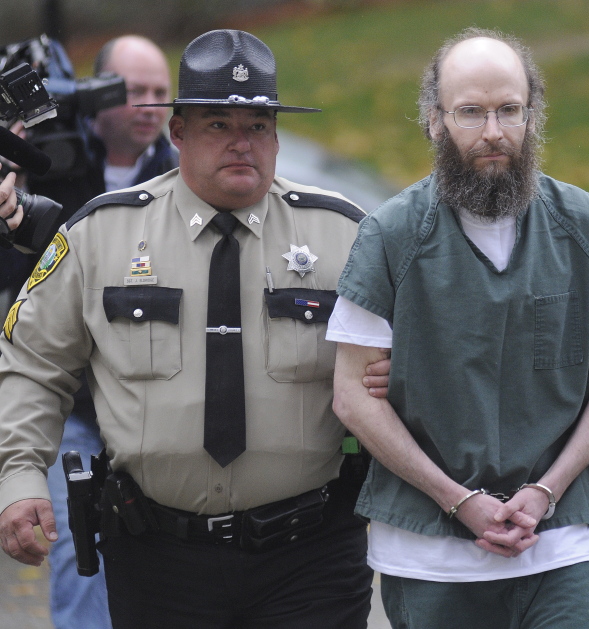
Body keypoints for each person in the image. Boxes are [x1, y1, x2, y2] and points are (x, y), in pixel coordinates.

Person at [0, 29, 372, 628]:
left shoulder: (346, 238)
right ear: (178, 133)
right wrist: (19, 478)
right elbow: (32, 364)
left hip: (311, 555)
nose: (241, 144)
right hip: (157, 559)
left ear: (276, 133)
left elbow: (407, 367)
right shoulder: (101, 236)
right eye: (217, 125)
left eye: (257, 126)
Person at [330, 28, 589, 628]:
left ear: (533, 115)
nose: (493, 132)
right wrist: (459, 501)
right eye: (470, 112)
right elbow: (353, 397)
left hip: (557, 546)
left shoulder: (582, 223)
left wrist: (546, 492)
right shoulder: (390, 236)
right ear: (434, 120)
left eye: (509, 110)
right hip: (431, 556)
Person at [37, 35, 176, 629]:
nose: (149, 105)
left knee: (167, 555)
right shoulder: (48, 161)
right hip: (73, 404)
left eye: (161, 93)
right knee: (77, 552)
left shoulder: (184, 174)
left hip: (158, 403)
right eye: (133, 91)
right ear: (93, 96)